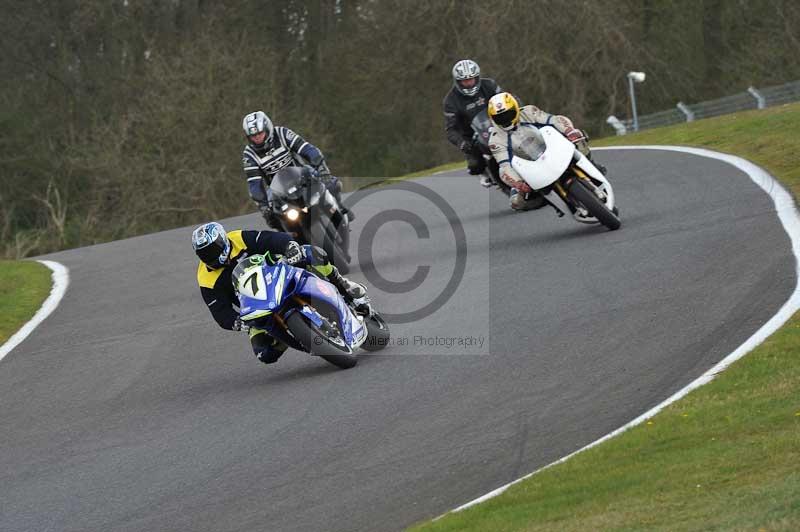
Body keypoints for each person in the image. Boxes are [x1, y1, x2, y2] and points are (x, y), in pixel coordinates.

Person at [192, 221, 366, 365]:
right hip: (256, 305)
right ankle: (293, 335)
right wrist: (236, 322)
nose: (209, 255)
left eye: (212, 248)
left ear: (223, 240)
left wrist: (289, 246)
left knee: (312, 253)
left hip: (278, 272)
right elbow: (219, 311)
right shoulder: (206, 278)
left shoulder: (238, 238)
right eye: (204, 253)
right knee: (264, 354)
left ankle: (343, 285)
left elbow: (270, 239)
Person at [486, 92, 606, 211]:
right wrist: (518, 183)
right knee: (515, 202)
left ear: (516, 109)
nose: (505, 119)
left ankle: (590, 163)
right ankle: (547, 199)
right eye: (499, 117)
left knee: (576, 136)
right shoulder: (495, 139)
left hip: (551, 148)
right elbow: (505, 165)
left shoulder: (528, 112)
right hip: (529, 167)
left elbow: (554, 120)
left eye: (508, 114)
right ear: (493, 119)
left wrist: (569, 131)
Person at [241, 111, 352, 229]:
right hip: (276, 189)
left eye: (260, 133)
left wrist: (321, 168)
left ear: (267, 129)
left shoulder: (282, 133)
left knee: (332, 184)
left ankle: (339, 209)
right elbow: (254, 184)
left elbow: (307, 149)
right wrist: (263, 207)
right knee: (272, 219)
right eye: (253, 136)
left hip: (301, 173)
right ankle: (292, 240)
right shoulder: (249, 155)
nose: (257, 138)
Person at [443, 59, 504, 187]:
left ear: (477, 77)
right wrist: (462, 143)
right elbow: (450, 129)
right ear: (458, 81)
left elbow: (506, 99)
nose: (469, 83)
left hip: (499, 125)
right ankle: (486, 173)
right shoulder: (450, 101)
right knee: (475, 165)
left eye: (471, 79)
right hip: (473, 136)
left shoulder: (489, 85)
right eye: (465, 81)